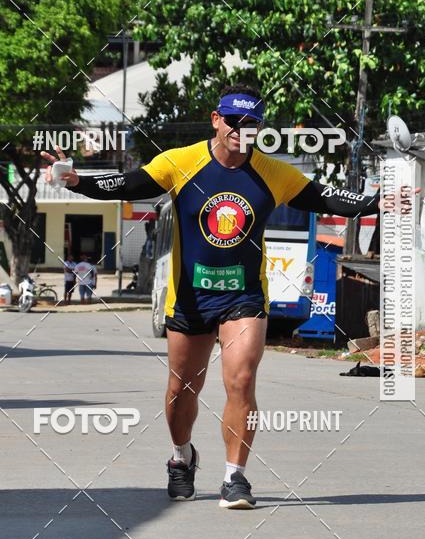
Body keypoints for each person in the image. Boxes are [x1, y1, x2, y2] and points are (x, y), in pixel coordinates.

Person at [42, 83, 381, 509]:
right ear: (216, 120)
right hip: (189, 298)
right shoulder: (180, 162)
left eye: (252, 124)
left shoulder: (273, 173)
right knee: (182, 389)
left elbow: (325, 197)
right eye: (235, 122)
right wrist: (77, 181)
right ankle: (181, 456)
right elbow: (128, 184)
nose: (242, 131)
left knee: (241, 379)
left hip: (244, 295)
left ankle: (235, 477)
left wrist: (379, 200)